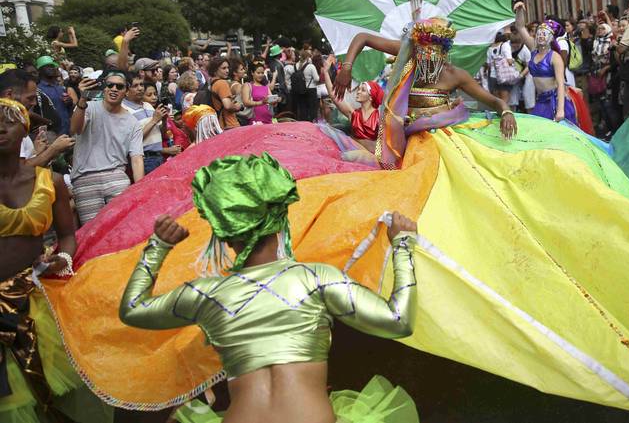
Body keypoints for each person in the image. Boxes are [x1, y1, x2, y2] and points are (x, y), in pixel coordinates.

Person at [118, 153, 419, 423]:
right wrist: (403, 245)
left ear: (224, 234)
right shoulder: (316, 279)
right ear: (280, 218)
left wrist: (158, 246)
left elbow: (132, 309)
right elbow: (399, 321)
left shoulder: (205, 295)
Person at [0, 98, 113, 423]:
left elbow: (67, 234)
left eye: (8, 120)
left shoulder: (51, 182)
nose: (0, 127)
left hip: (32, 297)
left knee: (53, 391)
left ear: (25, 128)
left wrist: (62, 257)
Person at [333, 17, 516, 169]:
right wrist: (346, 68)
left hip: (441, 142)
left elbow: (494, 101)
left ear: (443, 55)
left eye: (433, 58)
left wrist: (506, 112)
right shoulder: (409, 55)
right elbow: (363, 37)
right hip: (407, 140)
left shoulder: (455, 75)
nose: (426, 62)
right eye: (422, 56)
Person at [70, 71, 144, 223]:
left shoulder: (133, 122)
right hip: (85, 178)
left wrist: (140, 188)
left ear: (126, 91)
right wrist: (82, 100)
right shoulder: (87, 108)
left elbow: (136, 158)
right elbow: (75, 129)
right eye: (110, 85)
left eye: (119, 86)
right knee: (91, 231)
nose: (114, 89)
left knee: (121, 227)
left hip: (116, 177)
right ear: (104, 89)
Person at [0, 69, 74, 167]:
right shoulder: (8, 125)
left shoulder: (15, 121)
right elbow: (18, 170)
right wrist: (54, 149)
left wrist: (35, 151)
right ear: (9, 95)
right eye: (30, 98)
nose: (34, 103)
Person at [322, 56, 382, 152]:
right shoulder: (354, 114)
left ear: (371, 96)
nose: (358, 92)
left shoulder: (380, 116)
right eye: (359, 89)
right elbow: (333, 95)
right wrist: (325, 72)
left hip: (373, 159)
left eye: (363, 90)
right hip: (354, 157)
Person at [143, 83, 182, 163]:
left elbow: (172, 134)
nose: (154, 98)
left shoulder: (160, 111)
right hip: (155, 158)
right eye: (149, 95)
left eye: (155, 94)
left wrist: (164, 120)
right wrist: (166, 150)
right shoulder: (142, 116)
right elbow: (144, 143)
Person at [35, 55, 71, 135]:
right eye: (47, 66)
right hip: (51, 133)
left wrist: (69, 102)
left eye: (52, 66)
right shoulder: (37, 90)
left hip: (67, 131)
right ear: (40, 71)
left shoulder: (60, 88)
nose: (51, 68)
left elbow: (68, 108)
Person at [208, 57, 242, 130]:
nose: (227, 71)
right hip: (230, 124)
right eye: (223, 68)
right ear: (215, 70)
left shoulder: (211, 83)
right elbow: (228, 106)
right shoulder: (222, 83)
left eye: (228, 68)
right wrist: (238, 106)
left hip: (220, 125)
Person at [293, 49, 320, 122]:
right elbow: (317, 79)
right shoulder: (311, 66)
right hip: (311, 89)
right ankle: (312, 123)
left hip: (300, 89)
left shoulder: (295, 65)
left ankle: (303, 123)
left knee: (302, 108)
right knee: (312, 109)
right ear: (308, 57)